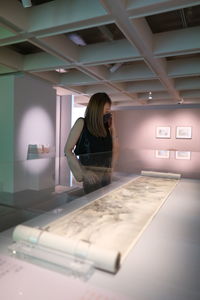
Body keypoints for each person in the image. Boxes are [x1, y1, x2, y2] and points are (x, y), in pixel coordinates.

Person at [64, 92, 119, 193]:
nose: (107, 113)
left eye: (108, 111)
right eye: (106, 110)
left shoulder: (105, 128)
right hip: (91, 178)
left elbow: (114, 150)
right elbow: (67, 150)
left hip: (106, 176)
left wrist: (113, 128)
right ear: (97, 109)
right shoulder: (81, 123)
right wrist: (84, 172)